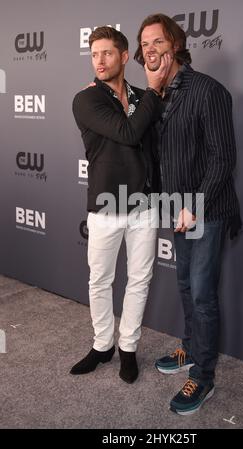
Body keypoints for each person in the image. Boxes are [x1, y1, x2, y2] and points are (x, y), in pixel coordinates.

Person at [134, 14, 242, 414]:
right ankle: (191, 350)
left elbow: (222, 157)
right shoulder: (157, 95)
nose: (150, 50)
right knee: (184, 285)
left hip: (206, 209)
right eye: (144, 45)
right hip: (177, 211)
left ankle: (205, 377)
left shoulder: (208, 90)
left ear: (176, 44)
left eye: (157, 42)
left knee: (201, 294)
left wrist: (194, 204)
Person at [71, 26, 171, 383]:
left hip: (144, 205)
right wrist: (154, 94)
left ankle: (128, 347)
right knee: (100, 280)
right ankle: (102, 346)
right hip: (105, 206)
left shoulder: (144, 97)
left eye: (107, 53)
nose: (99, 61)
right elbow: (129, 134)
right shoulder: (86, 100)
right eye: (94, 54)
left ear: (124, 56)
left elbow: (154, 150)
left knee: (139, 279)